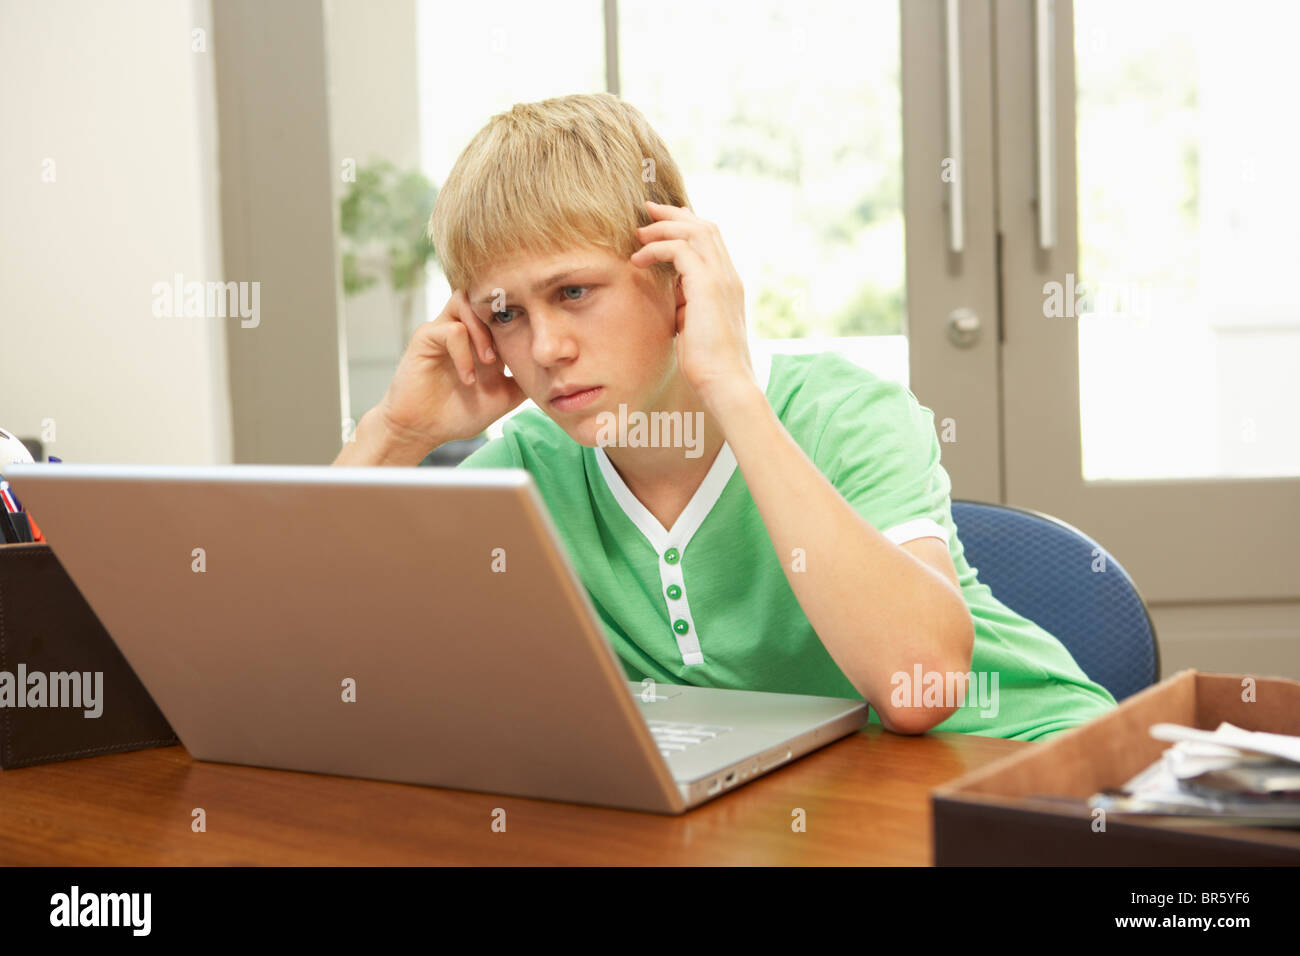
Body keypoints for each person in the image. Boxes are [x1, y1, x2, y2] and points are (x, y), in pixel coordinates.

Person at [334, 92, 1117, 740]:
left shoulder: (848, 414)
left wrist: (730, 387)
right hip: (819, 821)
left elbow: (919, 688)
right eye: (506, 313)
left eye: (573, 292)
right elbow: (288, 658)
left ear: (677, 276)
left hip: (1038, 777)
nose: (546, 346)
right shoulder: (528, 471)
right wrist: (396, 436)